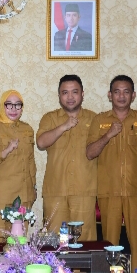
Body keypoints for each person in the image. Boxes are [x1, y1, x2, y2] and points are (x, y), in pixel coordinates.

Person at [86, 75, 137, 273]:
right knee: (109, 243)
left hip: (136, 192)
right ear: (109, 95)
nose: (121, 96)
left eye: (126, 91)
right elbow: (90, 153)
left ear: (133, 95)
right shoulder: (99, 120)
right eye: (117, 92)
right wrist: (108, 135)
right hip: (108, 191)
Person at [36, 75, 97, 239]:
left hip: (84, 190)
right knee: (54, 241)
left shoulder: (94, 119)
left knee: (85, 240)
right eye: (65, 93)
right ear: (59, 96)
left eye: (74, 92)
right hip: (55, 190)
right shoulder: (50, 118)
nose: (70, 97)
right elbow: (41, 143)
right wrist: (64, 126)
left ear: (82, 94)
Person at [0, 90, 36, 241]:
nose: (14, 109)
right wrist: (6, 151)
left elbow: (31, 161)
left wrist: (33, 187)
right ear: (2, 106)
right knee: (1, 239)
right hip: (1, 194)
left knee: (20, 240)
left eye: (18, 105)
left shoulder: (27, 129)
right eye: (9, 105)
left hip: (24, 193)